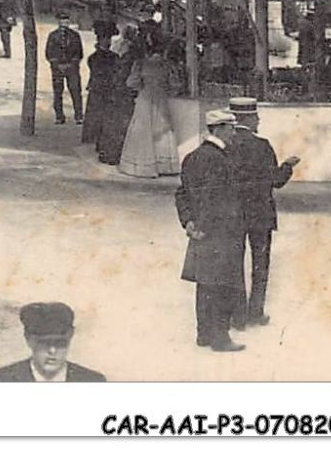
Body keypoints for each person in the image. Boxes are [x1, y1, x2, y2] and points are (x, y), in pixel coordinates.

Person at [176, 110, 246, 352]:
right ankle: (220, 337)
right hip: (221, 231)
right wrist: (204, 226)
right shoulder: (221, 160)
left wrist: (189, 223)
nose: (234, 133)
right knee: (223, 283)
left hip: (201, 231)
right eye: (231, 128)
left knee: (205, 283)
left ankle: (203, 333)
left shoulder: (192, 157)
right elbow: (213, 198)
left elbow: (182, 193)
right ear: (218, 129)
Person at [227, 97, 299, 329]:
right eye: (255, 116)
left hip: (234, 213)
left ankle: (235, 316)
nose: (258, 120)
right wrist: (288, 166)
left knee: (233, 263)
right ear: (246, 118)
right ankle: (255, 312)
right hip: (261, 214)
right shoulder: (262, 146)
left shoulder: (226, 145)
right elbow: (276, 181)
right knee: (260, 264)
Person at [0, 303, 106, 381]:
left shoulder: (92, 381)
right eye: (44, 343)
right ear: (28, 339)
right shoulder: (0, 380)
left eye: (60, 343)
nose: (52, 351)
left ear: (70, 337)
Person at [117, 31, 181, 178]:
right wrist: (165, 91)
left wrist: (142, 88)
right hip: (162, 100)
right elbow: (176, 85)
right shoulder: (168, 65)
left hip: (145, 99)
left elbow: (131, 82)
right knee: (163, 131)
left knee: (143, 131)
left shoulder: (141, 64)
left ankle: (144, 166)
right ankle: (165, 165)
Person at [86, 36, 126, 162]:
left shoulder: (93, 57)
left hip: (98, 89)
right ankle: (101, 143)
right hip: (106, 89)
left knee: (98, 117)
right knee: (105, 118)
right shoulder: (114, 57)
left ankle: (99, 143)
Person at [45, 14, 85, 125]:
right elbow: (49, 53)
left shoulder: (75, 36)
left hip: (72, 68)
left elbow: (79, 53)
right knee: (58, 92)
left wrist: (71, 64)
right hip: (57, 68)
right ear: (58, 22)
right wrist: (57, 65)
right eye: (62, 21)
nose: (64, 24)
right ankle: (59, 116)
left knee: (75, 90)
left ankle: (79, 115)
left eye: (66, 22)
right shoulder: (52, 36)